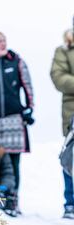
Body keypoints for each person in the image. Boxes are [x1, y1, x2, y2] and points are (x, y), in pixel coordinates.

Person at [0, 31, 35, 210]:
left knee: (13, 162)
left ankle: (12, 200)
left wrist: (29, 109)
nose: (2, 44)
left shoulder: (17, 62)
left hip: (14, 119)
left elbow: (28, 87)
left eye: (4, 40)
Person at [51, 26, 74, 219]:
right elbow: (58, 77)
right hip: (72, 113)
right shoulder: (64, 50)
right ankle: (71, 203)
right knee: (70, 157)